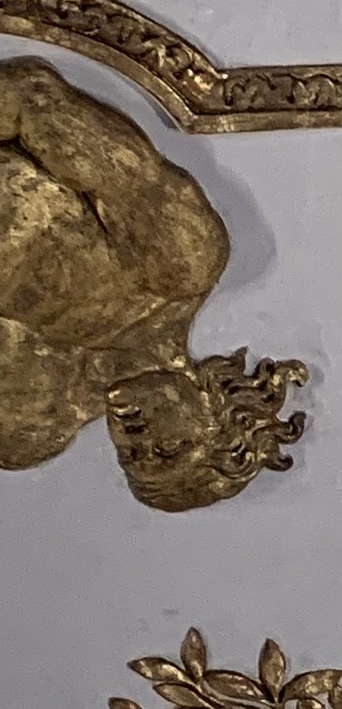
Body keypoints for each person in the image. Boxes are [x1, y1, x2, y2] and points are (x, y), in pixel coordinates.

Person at [0, 55, 303, 507]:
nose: (140, 441)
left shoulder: (28, 426)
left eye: (133, 457)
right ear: (217, 407)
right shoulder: (179, 265)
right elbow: (32, 98)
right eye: (169, 448)